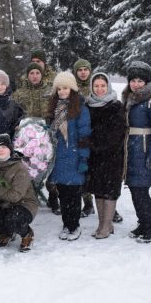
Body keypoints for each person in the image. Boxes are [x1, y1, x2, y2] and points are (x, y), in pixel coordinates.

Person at [122, 61, 151, 243]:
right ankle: (143, 223)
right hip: (132, 151)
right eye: (133, 80)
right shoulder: (131, 99)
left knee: (141, 191)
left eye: (140, 81)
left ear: (146, 82)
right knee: (134, 189)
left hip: (145, 151)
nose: (136, 84)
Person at [47, 72, 92, 241]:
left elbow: (84, 136)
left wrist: (83, 159)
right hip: (59, 158)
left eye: (65, 88)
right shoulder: (55, 107)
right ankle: (66, 224)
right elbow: (52, 132)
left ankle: (75, 226)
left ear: (72, 89)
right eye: (58, 89)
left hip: (74, 157)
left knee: (73, 195)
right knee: (63, 194)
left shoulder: (80, 109)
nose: (61, 91)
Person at [13, 62, 59, 214]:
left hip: (46, 136)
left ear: (42, 74)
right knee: (27, 166)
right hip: (26, 138)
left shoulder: (51, 91)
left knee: (49, 166)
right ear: (27, 75)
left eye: (37, 73)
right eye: (31, 73)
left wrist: (50, 125)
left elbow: (55, 111)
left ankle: (53, 196)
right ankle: (29, 195)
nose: (34, 76)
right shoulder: (19, 93)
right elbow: (15, 113)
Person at [86, 73, 126, 239]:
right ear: (92, 87)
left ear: (108, 86)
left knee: (109, 190)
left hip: (112, 155)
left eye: (103, 86)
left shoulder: (115, 106)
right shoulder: (88, 105)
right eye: (96, 86)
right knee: (98, 190)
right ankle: (103, 224)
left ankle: (106, 226)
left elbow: (117, 133)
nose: (100, 89)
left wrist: (95, 143)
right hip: (94, 157)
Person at [72, 58, 99, 219]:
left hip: (96, 132)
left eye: (85, 69)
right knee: (83, 170)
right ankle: (87, 203)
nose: (83, 72)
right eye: (79, 70)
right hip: (80, 133)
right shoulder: (73, 88)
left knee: (100, 171)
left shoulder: (96, 86)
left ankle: (109, 207)